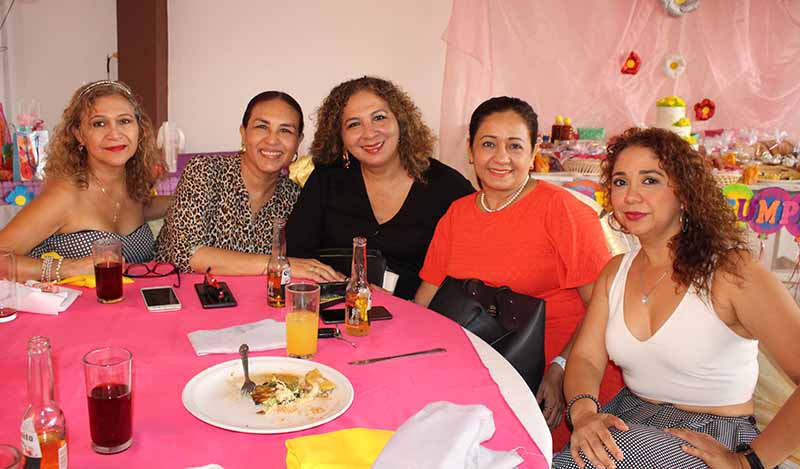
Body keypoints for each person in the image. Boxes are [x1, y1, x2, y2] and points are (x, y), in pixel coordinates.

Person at [554, 128, 800, 469]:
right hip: (630, 416)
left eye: (650, 181)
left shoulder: (731, 272)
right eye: (621, 182)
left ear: (684, 193)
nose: (631, 196)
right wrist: (583, 413)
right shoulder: (615, 271)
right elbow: (586, 358)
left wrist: (748, 463)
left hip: (711, 434)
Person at [414, 96, 622, 449]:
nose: (501, 158)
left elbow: (603, 311)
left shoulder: (563, 211)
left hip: (562, 379)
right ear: (470, 150)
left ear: (533, 151)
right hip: (485, 368)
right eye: (488, 144)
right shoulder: (457, 214)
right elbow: (426, 302)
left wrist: (560, 369)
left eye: (514, 146)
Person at [286, 76, 474, 299]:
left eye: (379, 117)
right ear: (340, 136)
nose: (369, 133)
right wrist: (346, 286)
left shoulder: (447, 186)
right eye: (354, 124)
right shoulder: (326, 179)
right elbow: (297, 256)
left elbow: (468, 269)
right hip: (335, 307)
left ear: (401, 122)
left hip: (418, 313)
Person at [155, 91, 341, 280]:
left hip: (249, 298)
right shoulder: (205, 171)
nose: (272, 140)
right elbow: (188, 254)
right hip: (172, 292)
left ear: (298, 141)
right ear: (243, 133)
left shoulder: (295, 198)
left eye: (285, 130)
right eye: (262, 127)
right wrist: (278, 264)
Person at [0, 80, 170, 281]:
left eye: (124, 121)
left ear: (139, 130)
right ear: (79, 134)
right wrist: (67, 268)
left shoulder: (133, 186)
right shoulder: (64, 195)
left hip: (129, 300)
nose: (115, 133)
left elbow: (149, 207)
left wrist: (193, 198)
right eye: (99, 123)